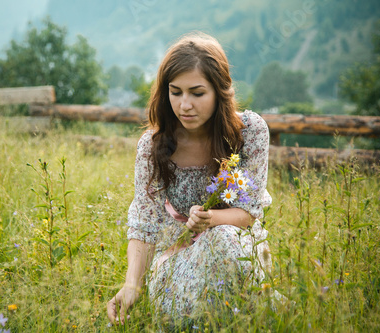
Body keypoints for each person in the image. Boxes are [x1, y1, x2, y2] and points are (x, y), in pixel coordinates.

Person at [107, 32, 273, 328]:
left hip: (237, 247)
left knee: (223, 239)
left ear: (219, 91)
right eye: (176, 92)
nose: (185, 105)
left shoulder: (249, 132)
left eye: (197, 93)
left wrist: (211, 219)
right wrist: (132, 285)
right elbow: (145, 221)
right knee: (183, 318)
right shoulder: (153, 145)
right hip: (177, 252)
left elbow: (250, 213)